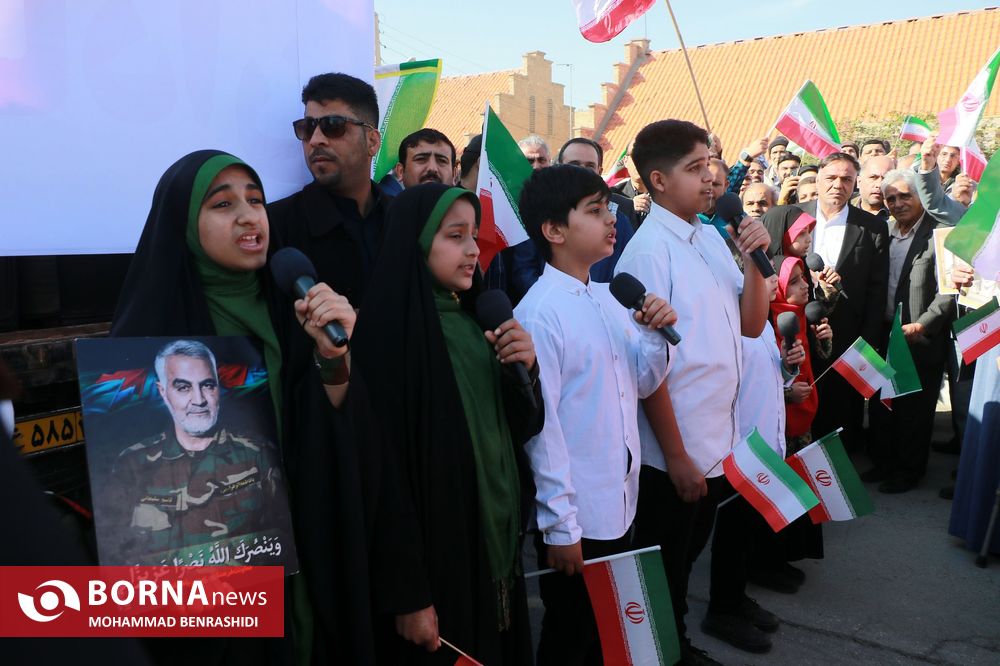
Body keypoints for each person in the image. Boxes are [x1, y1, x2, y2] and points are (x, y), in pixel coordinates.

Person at [112, 150, 415, 665]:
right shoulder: (146, 340)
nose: (250, 217)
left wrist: (334, 360)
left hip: (306, 563)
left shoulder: (292, 312)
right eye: (223, 205)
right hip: (208, 601)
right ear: (183, 224)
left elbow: (336, 441)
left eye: (256, 201)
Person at [350, 184, 544, 665]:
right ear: (415, 241)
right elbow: (382, 478)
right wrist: (408, 593)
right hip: (436, 558)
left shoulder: (475, 322)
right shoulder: (386, 337)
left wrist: (527, 371)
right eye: (455, 236)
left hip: (492, 544)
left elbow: (517, 429)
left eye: (473, 236)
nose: (473, 249)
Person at [614, 119, 771, 665]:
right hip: (671, 450)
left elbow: (751, 325)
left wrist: (754, 262)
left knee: (688, 553)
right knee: (666, 563)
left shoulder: (708, 235)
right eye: (695, 168)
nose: (710, 178)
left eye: (710, 164)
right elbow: (648, 368)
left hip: (714, 436)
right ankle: (666, 650)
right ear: (658, 180)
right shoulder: (648, 253)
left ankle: (675, 643)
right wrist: (676, 456)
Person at [514, 164, 675, 664]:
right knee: (569, 633)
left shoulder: (608, 297)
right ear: (554, 230)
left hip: (621, 499)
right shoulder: (539, 313)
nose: (611, 219)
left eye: (608, 207)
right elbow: (542, 431)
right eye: (595, 210)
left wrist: (654, 334)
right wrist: (560, 525)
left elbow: (641, 384)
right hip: (579, 515)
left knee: (606, 632)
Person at [704, 271, 805, 653]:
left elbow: (771, 378)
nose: (773, 282)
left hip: (764, 447)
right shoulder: (732, 322)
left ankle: (735, 598)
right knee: (732, 534)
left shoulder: (763, 324)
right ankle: (721, 609)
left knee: (746, 532)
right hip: (740, 449)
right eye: (764, 275)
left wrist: (788, 367)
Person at [761, 152, 889, 452]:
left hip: (846, 336)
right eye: (831, 177)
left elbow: (876, 290)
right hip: (792, 332)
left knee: (843, 412)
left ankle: (839, 463)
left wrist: (867, 342)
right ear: (817, 179)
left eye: (846, 179)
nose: (838, 185)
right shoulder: (794, 216)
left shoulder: (872, 227)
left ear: (855, 183)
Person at [115, 339, 285, 557]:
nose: (199, 400)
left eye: (207, 385)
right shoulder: (132, 464)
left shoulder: (257, 453)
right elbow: (119, 552)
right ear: (163, 392)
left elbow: (283, 540)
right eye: (183, 387)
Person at [865, 169, 955, 493]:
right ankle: (884, 462)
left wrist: (924, 324)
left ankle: (908, 471)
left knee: (914, 409)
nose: (898, 203)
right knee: (883, 402)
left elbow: (948, 291)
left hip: (919, 335)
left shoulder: (939, 233)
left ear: (920, 197)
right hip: (884, 332)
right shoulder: (884, 232)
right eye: (891, 198)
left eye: (905, 195)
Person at [267, 72, 389, 308]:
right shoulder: (275, 228)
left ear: (372, 141)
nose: (315, 140)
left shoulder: (404, 221)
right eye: (307, 127)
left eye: (333, 126)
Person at [510, 138, 637, 296]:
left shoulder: (619, 220)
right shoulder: (540, 213)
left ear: (599, 171)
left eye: (590, 166)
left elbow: (631, 270)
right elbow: (524, 270)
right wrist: (558, 298)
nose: (582, 172)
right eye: (574, 165)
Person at [852, 155, 895, 221]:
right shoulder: (843, 209)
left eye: (886, 179)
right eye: (873, 177)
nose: (879, 184)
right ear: (859, 181)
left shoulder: (901, 216)